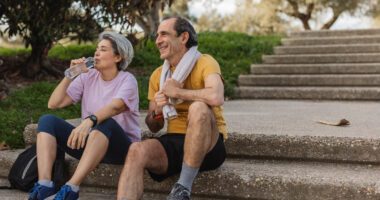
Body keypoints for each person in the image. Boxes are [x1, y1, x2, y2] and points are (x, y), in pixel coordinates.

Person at [117, 16, 227, 200]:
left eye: (164, 34)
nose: (158, 40)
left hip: (209, 144)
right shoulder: (158, 76)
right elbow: (153, 126)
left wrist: (178, 92)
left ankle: (182, 189)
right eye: (157, 35)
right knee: (136, 149)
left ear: (183, 37)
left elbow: (216, 96)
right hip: (176, 141)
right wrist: (158, 112)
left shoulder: (205, 62)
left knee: (198, 108)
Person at [28, 31, 140, 200]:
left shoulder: (127, 80)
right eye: (96, 49)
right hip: (91, 145)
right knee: (47, 121)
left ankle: (71, 188)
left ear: (118, 57)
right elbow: (54, 103)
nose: (96, 53)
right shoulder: (89, 76)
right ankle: (45, 185)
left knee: (105, 123)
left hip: (121, 148)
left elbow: (115, 107)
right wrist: (70, 75)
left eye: (103, 49)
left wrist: (89, 121)